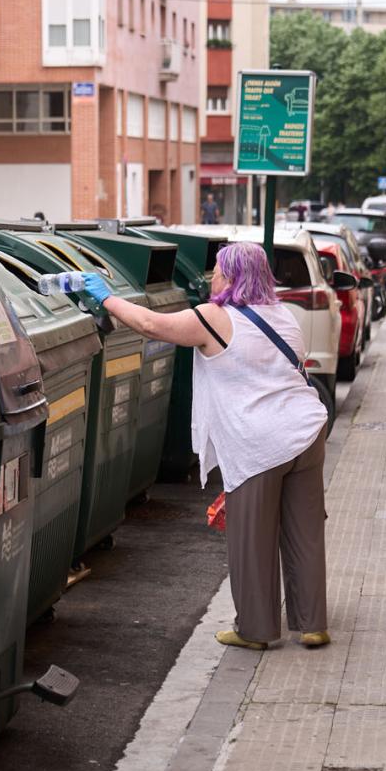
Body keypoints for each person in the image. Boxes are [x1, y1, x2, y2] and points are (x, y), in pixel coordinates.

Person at [80, 242, 330, 649]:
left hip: (260, 444)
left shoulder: (214, 318)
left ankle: (256, 630)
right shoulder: (282, 315)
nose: (212, 275)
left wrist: (106, 297)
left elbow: (150, 325)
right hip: (306, 432)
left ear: (232, 277)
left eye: (217, 270)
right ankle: (313, 624)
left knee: (253, 537)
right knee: (304, 532)